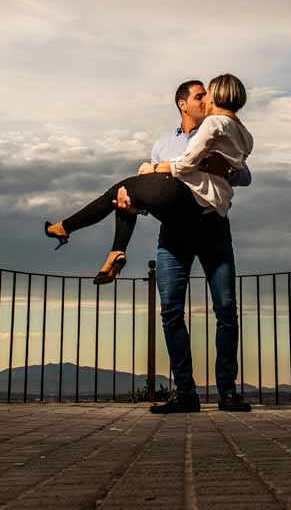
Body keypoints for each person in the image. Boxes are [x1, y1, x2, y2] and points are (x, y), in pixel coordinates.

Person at [42, 74, 253, 413]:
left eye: (207, 95)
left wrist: (221, 169)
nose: (205, 100)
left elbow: (245, 174)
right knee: (171, 311)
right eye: (199, 96)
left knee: (226, 308)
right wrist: (134, 205)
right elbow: (159, 195)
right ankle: (186, 394)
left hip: (211, 225)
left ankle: (227, 391)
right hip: (173, 232)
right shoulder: (162, 144)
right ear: (182, 104)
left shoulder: (220, 128)